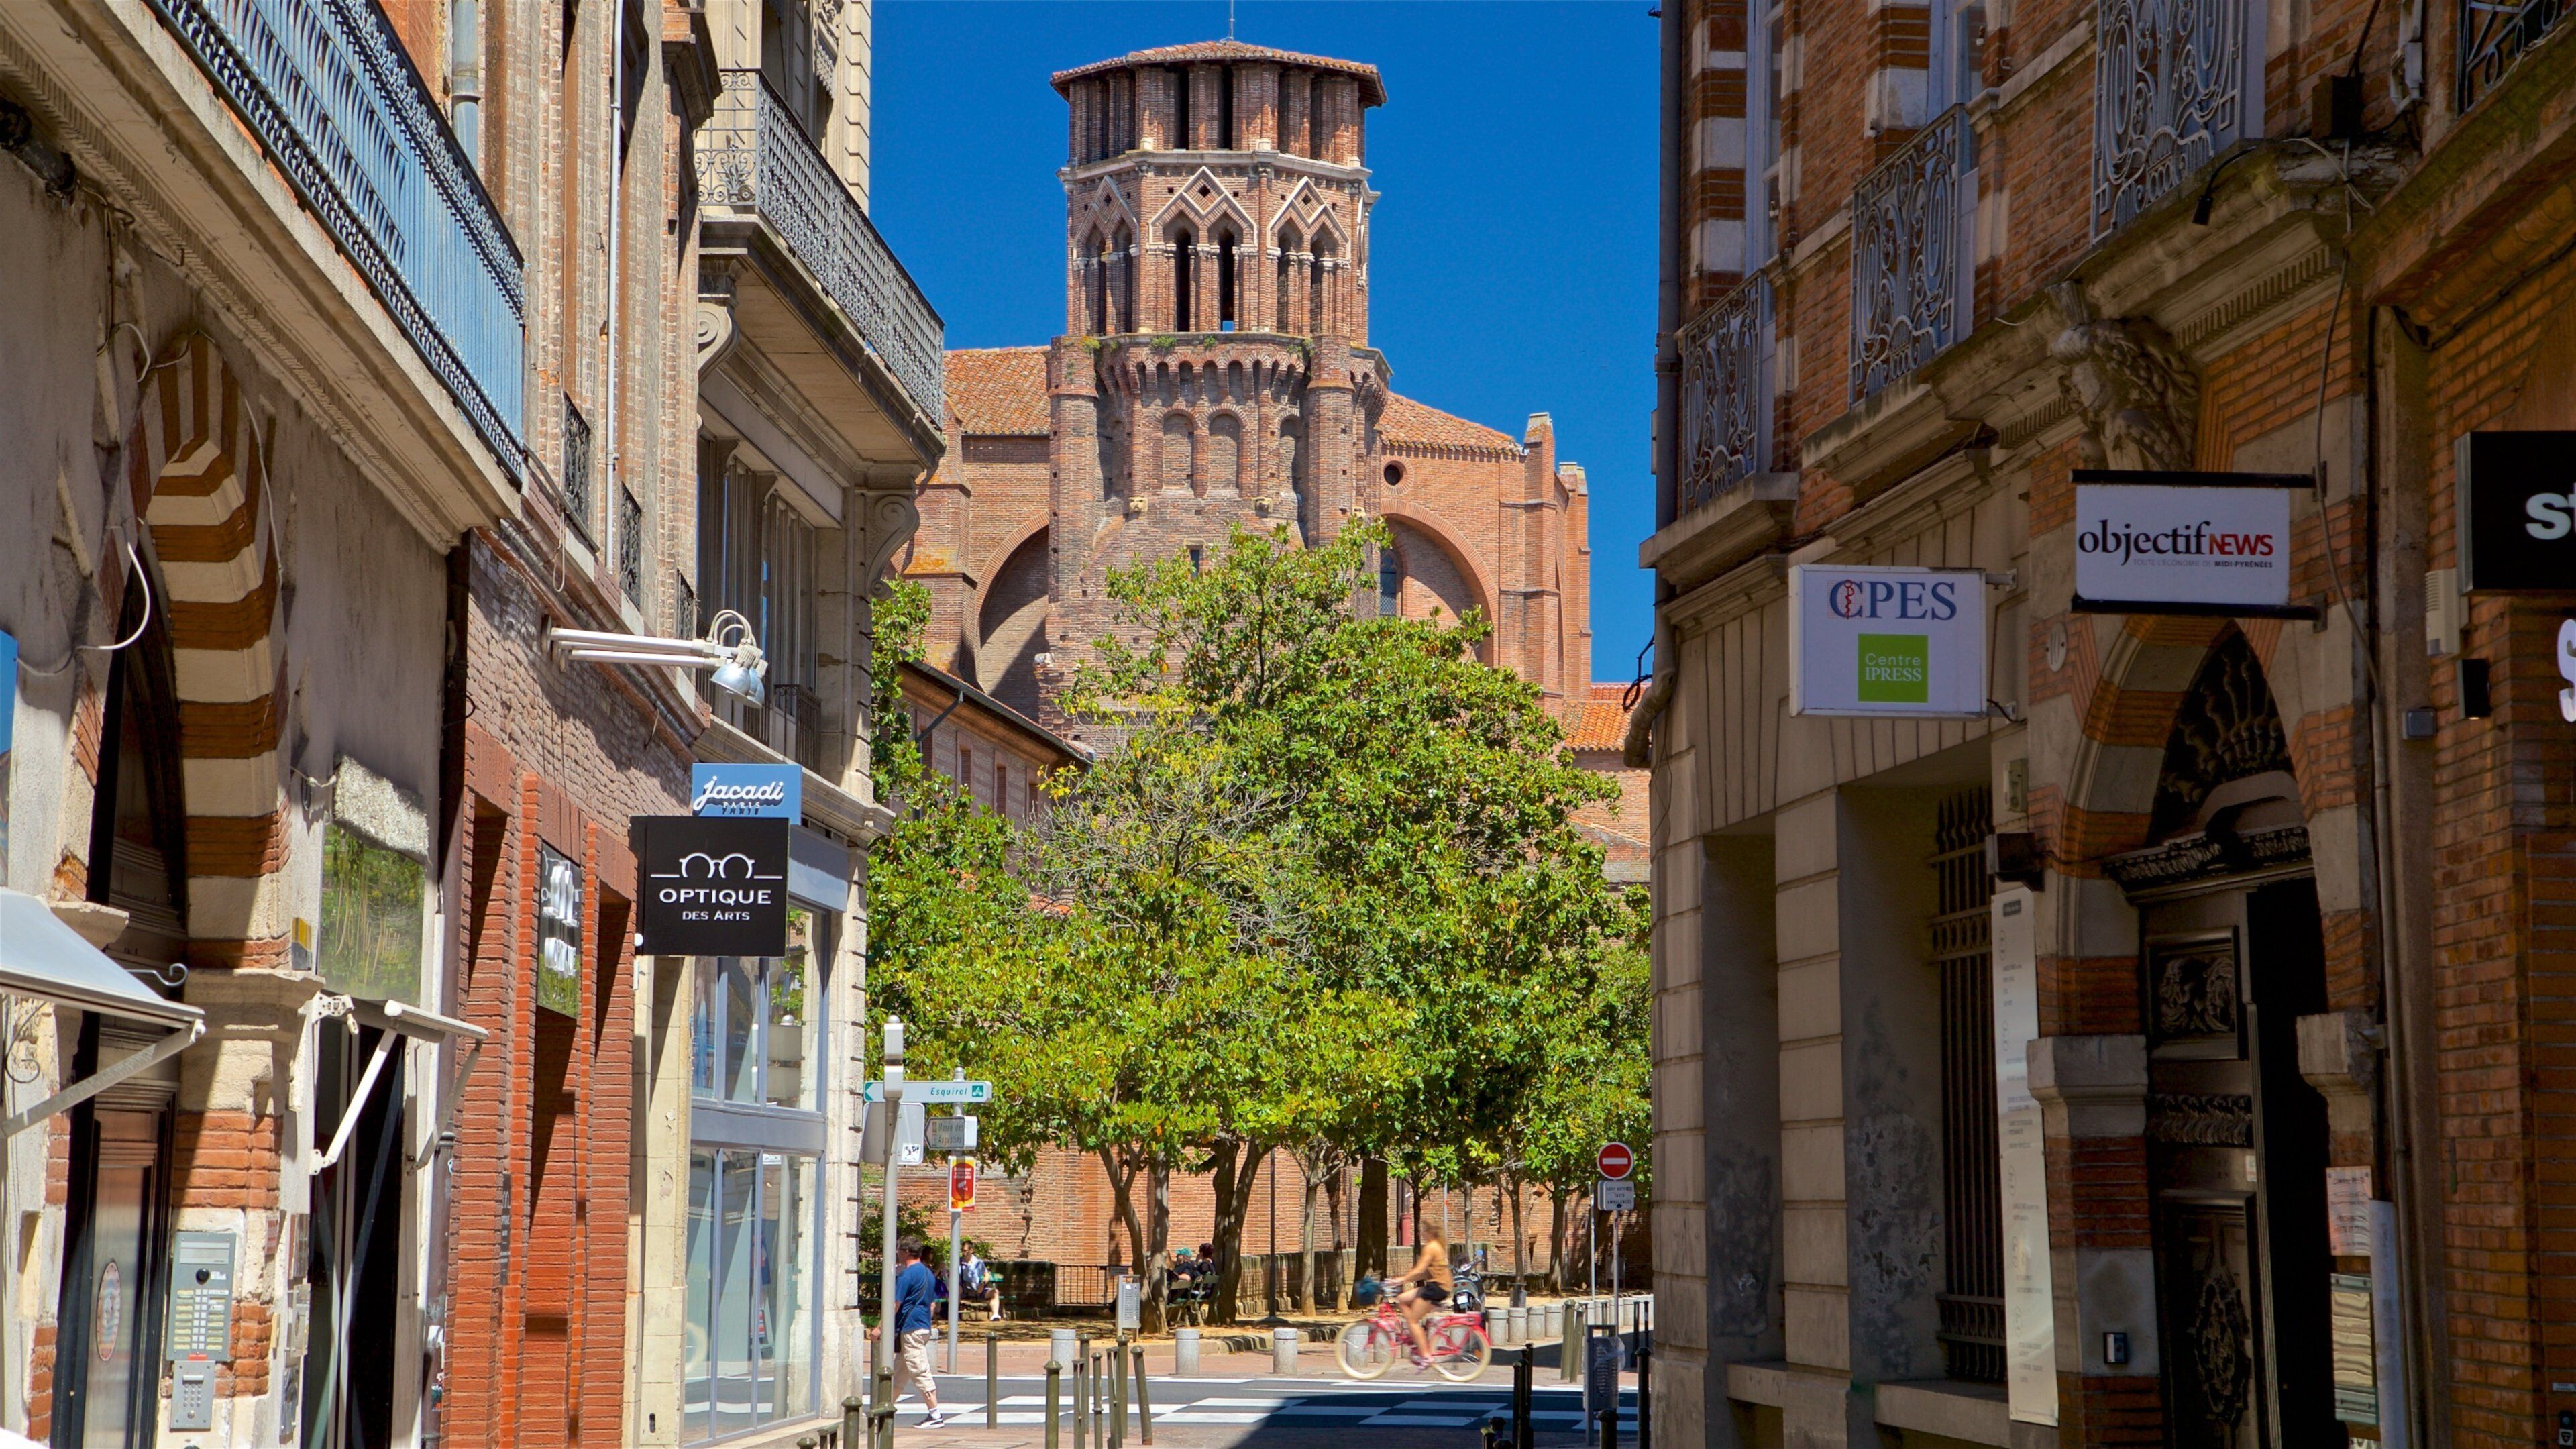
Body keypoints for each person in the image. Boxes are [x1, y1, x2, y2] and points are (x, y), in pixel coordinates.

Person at [884, 1238, 952, 1428]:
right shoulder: (928, 1273)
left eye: (898, 1249)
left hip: (911, 1328)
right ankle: (885, 1408)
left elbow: (895, 1305)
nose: (897, 1253)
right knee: (900, 1373)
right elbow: (931, 1303)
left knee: (920, 1370)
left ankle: (935, 1414)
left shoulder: (906, 1275)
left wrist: (880, 1327)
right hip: (922, 1326)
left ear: (905, 1251)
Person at [1389, 1228, 1452, 1362]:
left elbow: (1420, 1269)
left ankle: (1426, 1356)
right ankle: (1414, 1334)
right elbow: (1424, 1273)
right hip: (1438, 1286)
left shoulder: (1431, 1247)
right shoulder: (1438, 1247)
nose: (1422, 1233)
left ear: (1430, 1232)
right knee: (1402, 1299)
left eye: (1424, 1230)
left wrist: (1401, 1280)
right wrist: (1404, 1278)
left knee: (1413, 1320)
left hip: (1436, 1288)